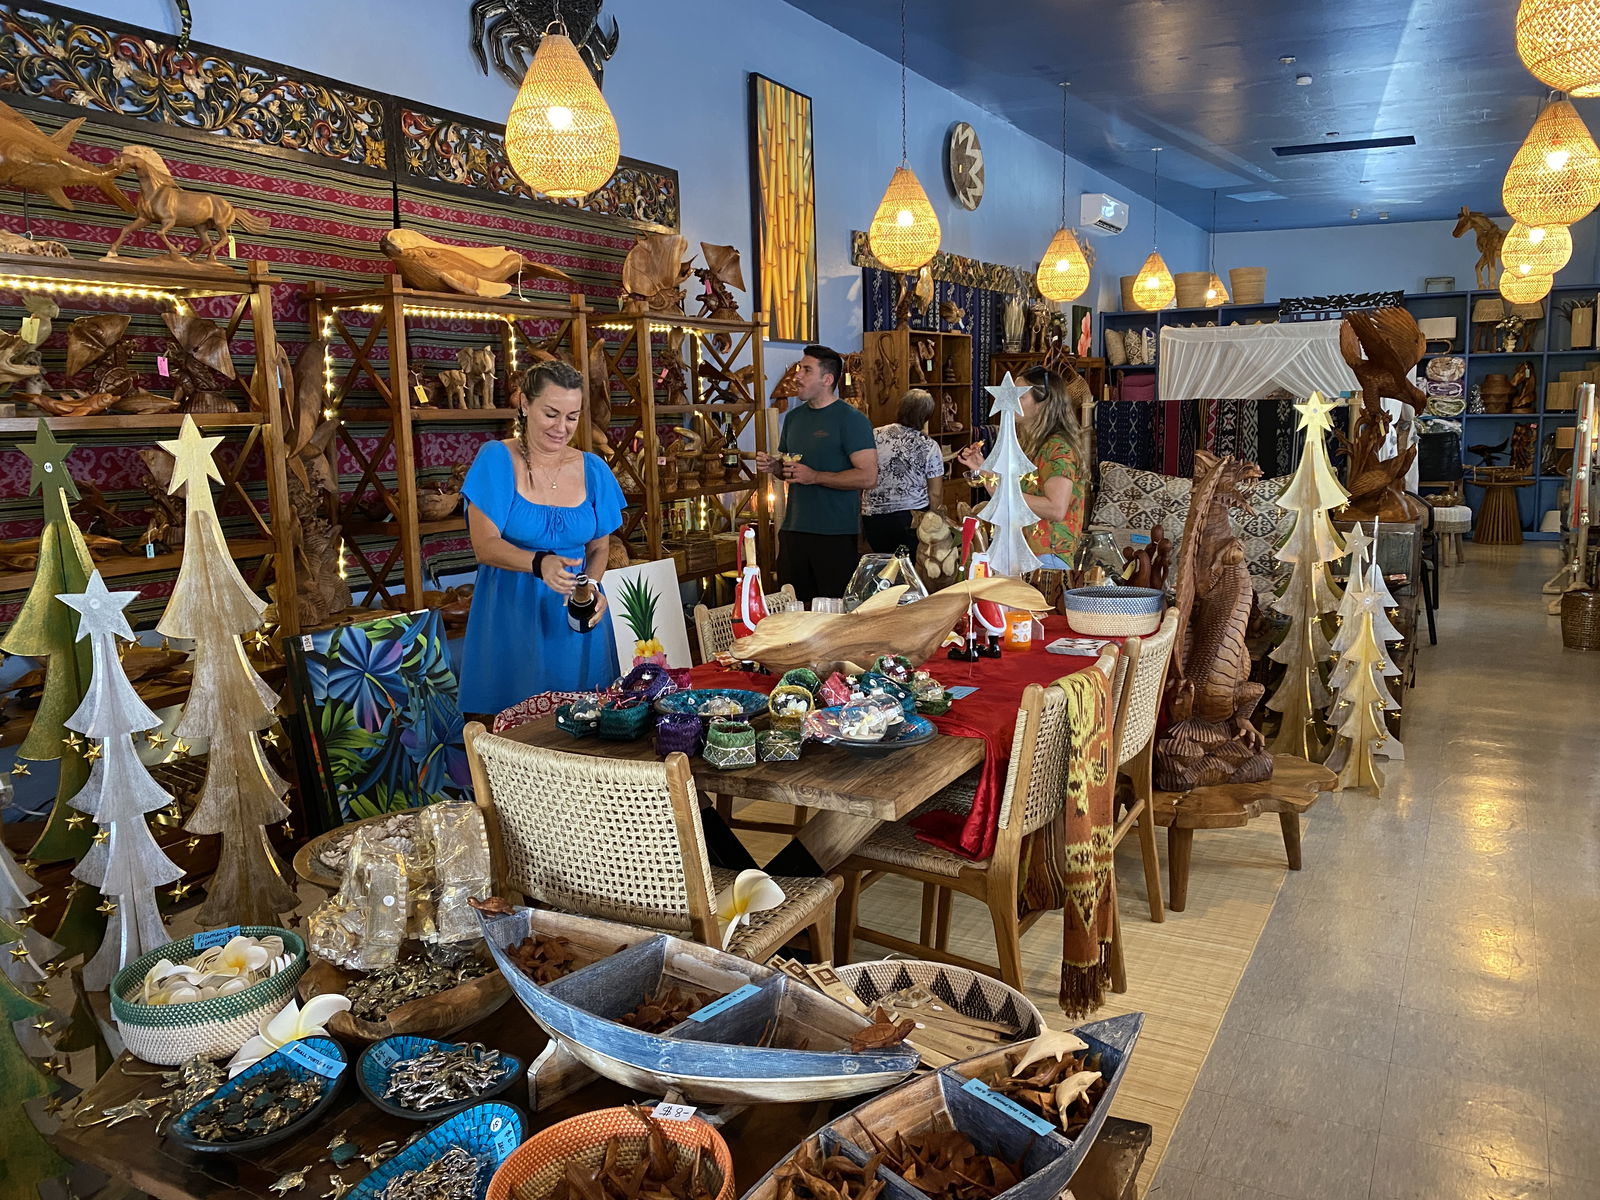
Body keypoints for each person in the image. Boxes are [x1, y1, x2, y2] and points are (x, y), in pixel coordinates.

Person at [458, 360, 626, 716]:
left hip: (576, 619)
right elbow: (484, 545)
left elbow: (599, 546)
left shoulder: (594, 469)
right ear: (524, 403)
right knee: (514, 740)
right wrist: (539, 563)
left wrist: (592, 586)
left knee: (588, 739)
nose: (561, 428)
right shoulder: (496, 459)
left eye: (572, 416)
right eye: (551, 413)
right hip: (512, 617)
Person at [755, 344, 878, 603]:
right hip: (793, 531)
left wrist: (816, 476)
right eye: (800, 368)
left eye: (806, 370)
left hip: (834, 535)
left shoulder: (851, 420)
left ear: (827, 379)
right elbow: (791, 472)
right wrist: (775, 467)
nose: (797, 375)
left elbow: (868, 477)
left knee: (832, 615)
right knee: (793, 609)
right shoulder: (793, 419)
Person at [957, 364, 1090, 565]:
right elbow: (1020, 494)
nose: (1010, 400)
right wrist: (982, 468)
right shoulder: (1033, 445)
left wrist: (1002, 491)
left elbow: (1055, 508)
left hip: (1048, 556)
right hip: (1029, 552)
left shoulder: (1057, 448)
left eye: (1020, 395)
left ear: (1043, 403)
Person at [861, 387, 945, 553]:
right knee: (909, 570)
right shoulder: (929, 445)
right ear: (926, 416)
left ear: (900, 408)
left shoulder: (874, 435)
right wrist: (934, 520)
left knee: (884, 567)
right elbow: (935, 493)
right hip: (912, 517)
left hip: (874, 516)